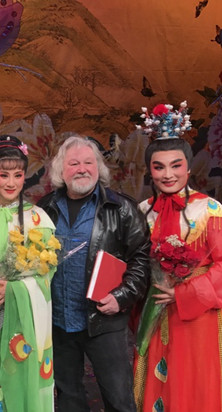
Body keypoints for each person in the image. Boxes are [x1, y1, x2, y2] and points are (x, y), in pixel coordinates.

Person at [38, 135, 151, 412]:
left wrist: (121, 297)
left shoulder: (121, 208)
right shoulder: (44, 208)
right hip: (58, 321)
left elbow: (142, 259)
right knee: (69, 398)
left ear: (98, 168)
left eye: (89, 162)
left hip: (104, 320)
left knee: (119, 399)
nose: (82, 169)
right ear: (61, 170)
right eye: (74, 163)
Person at [133, 104, 222, 411]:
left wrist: (183, 293)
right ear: (150, 170)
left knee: (193, 382)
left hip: (197, 316)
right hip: (155, 312)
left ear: (188, 167)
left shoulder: (209, 210)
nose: (168, 174)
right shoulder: (142, 211)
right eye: (159, 167)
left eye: (176, 165)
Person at [0, 135, 58, 411]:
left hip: (21, 311)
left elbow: (46, 273)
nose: (10, 183)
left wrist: (13, 289)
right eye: (3, 175)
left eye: (17, 175)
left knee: (18, 371)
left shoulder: (38, 218)